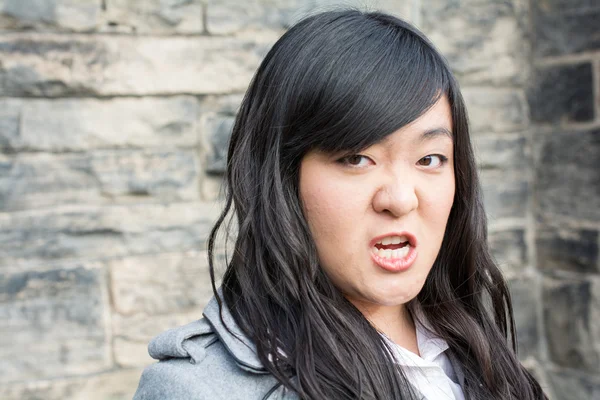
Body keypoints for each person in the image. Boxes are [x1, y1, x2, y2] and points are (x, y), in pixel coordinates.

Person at [133, 9, 548, 400]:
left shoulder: (470, 343)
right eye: (356, 159)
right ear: (280, 176)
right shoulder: (198, 390)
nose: (400, 199)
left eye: (429, 159)